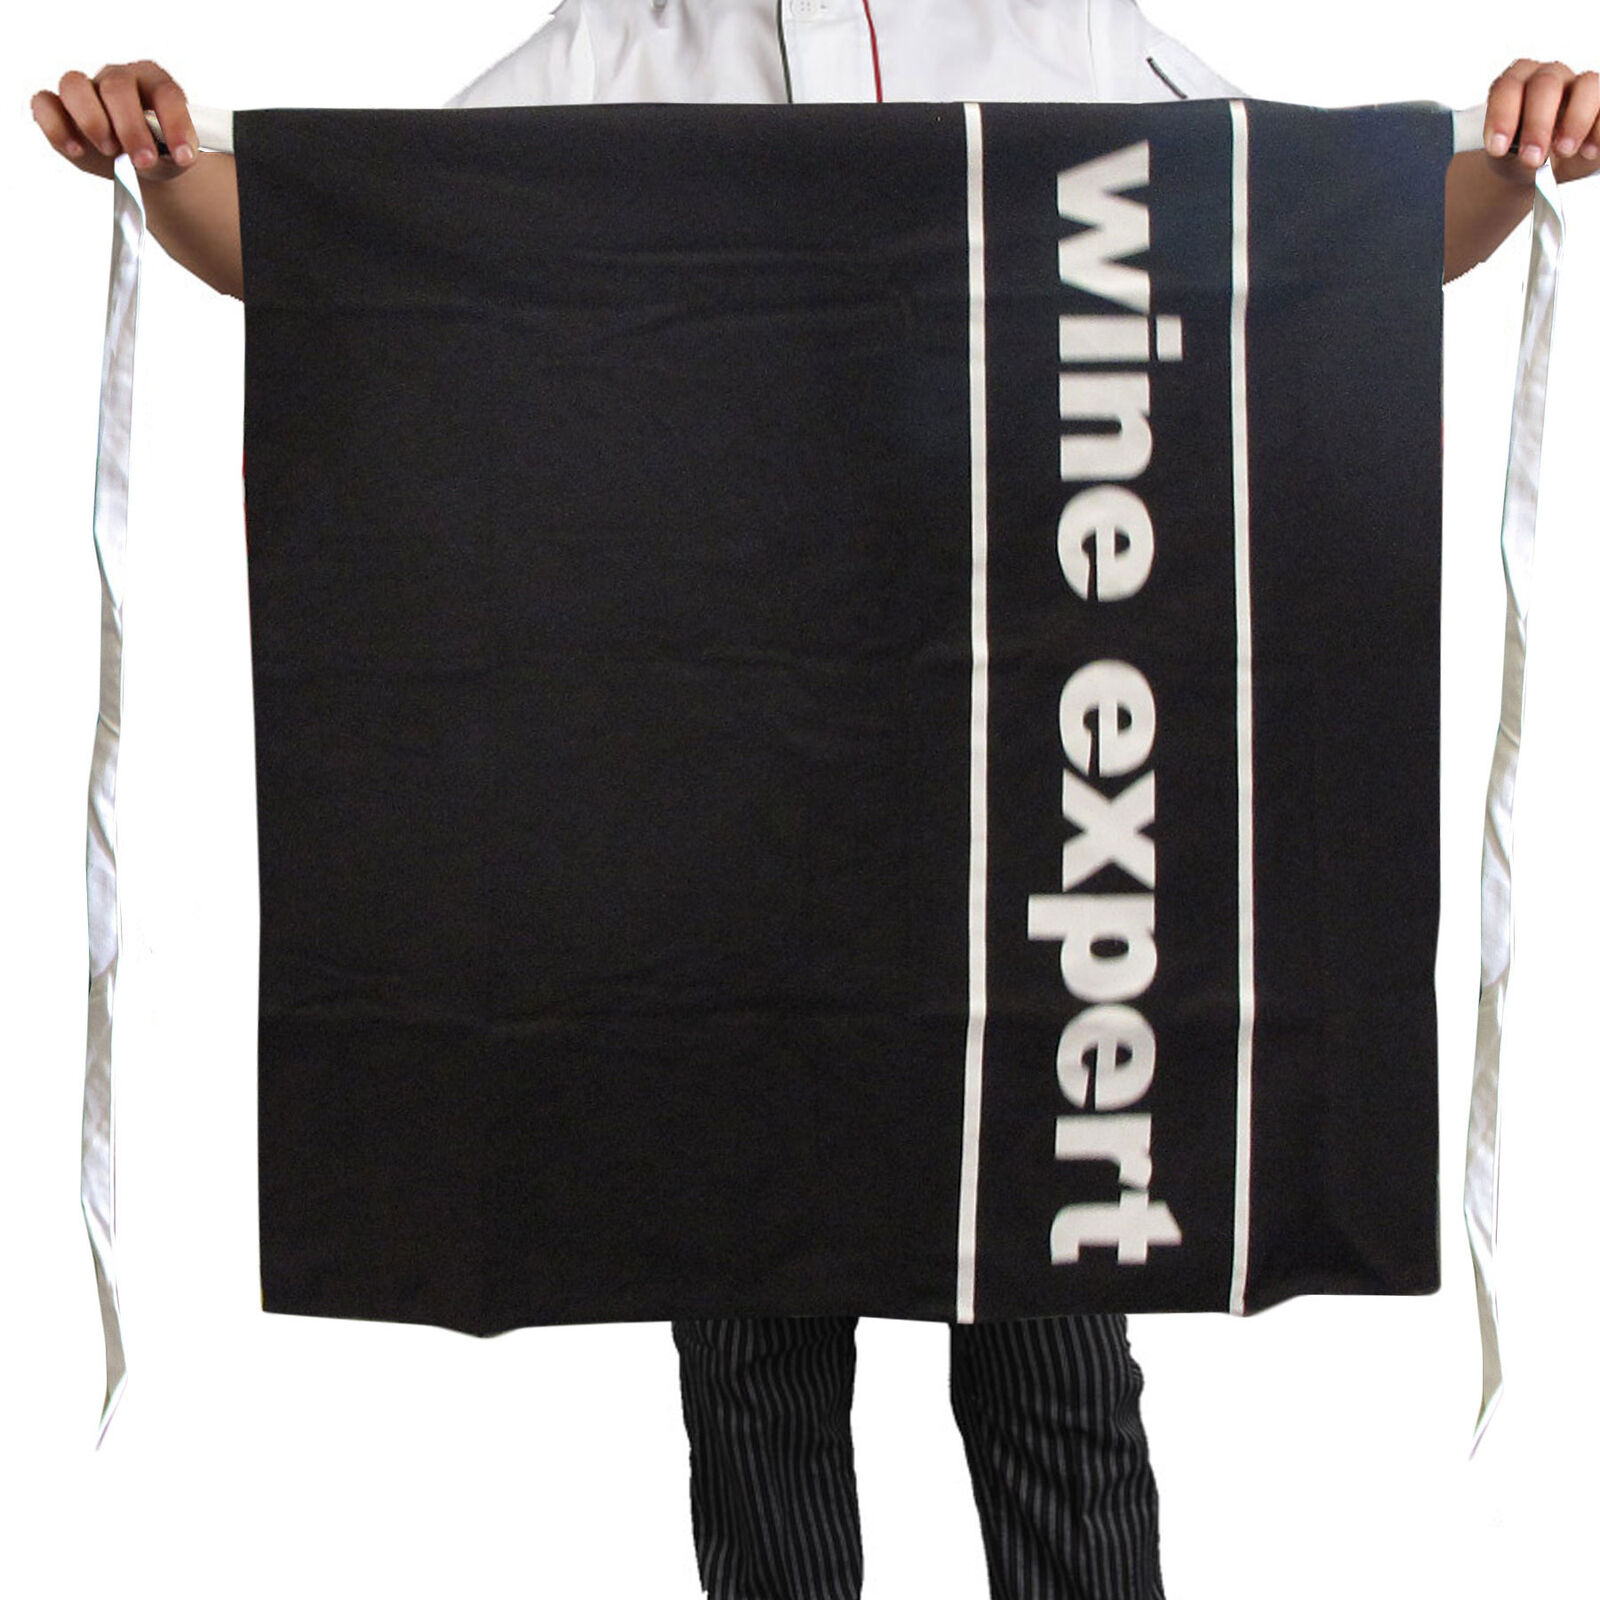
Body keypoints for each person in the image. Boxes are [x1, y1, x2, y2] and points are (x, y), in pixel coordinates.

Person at [30, 5, 1600, 1597]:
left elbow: (1325, 233)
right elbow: (355, 244)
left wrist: (1523, 144)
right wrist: (160, 153)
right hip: (728, 830)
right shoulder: (623, 55)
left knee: (1054, 1379)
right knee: (757, 1391)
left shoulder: (1056, 36)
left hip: (1014, 827)